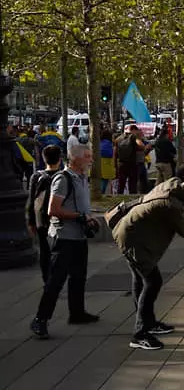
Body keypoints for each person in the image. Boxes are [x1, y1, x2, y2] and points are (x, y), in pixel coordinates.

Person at [113, 172, 184, 350]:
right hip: (134, 240)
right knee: (153, 282)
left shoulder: (174, 184)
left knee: (141, 280)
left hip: (130, 232)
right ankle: (140, 333)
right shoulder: (171, 205)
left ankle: (148, 323)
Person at [30, 144, 100, 339]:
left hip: (79, 237)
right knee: (56, 280)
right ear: (75, 158)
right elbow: (53, 209)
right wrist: (78, 216)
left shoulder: (82, 178)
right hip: (64, 238)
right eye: (87, 156)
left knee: (79, 277)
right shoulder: (63, 179)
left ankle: (77, 313)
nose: (91, 160)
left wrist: (88, 217)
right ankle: (40, 319)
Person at [25, 145, 63, 284]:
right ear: (60, 159)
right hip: (59, 218)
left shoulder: (36, 177)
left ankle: (46, 279)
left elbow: (31, 200)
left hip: (41, 219)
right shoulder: (64, 176)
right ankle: (56, 277)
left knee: (44, 250)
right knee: (59, 250)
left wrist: (30, 222)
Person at [99, 129, 116, 194]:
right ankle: (102, 192)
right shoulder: (109, 143)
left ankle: (101, 192)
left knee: (102, 180)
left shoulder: (100, 142)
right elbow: (110, 154)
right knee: (104, 181)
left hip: (99, 163)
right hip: (106, 164)